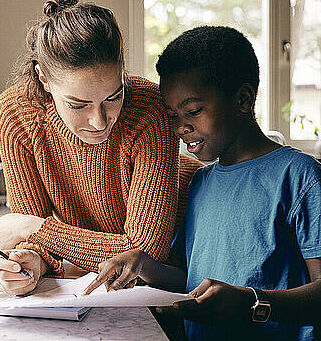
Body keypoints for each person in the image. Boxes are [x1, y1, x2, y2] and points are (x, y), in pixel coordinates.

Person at [84, 26, 321, 340]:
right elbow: (189, 279)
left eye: (193, 111)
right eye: (171, 116)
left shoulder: (298, 176)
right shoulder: (200, 182)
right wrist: (143, 264)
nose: (181, 127)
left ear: (243, 99)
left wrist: (251, 303)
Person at [0, 0, 202, 296]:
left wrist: (37, 230)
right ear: (44, 79)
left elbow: (142, 254)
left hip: (177, 272)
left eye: (114, 97)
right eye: (78, 105)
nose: (100, 121)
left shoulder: (148, 109)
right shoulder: (16, 113)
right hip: (100, 273)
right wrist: (30, 263)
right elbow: (34, 238)